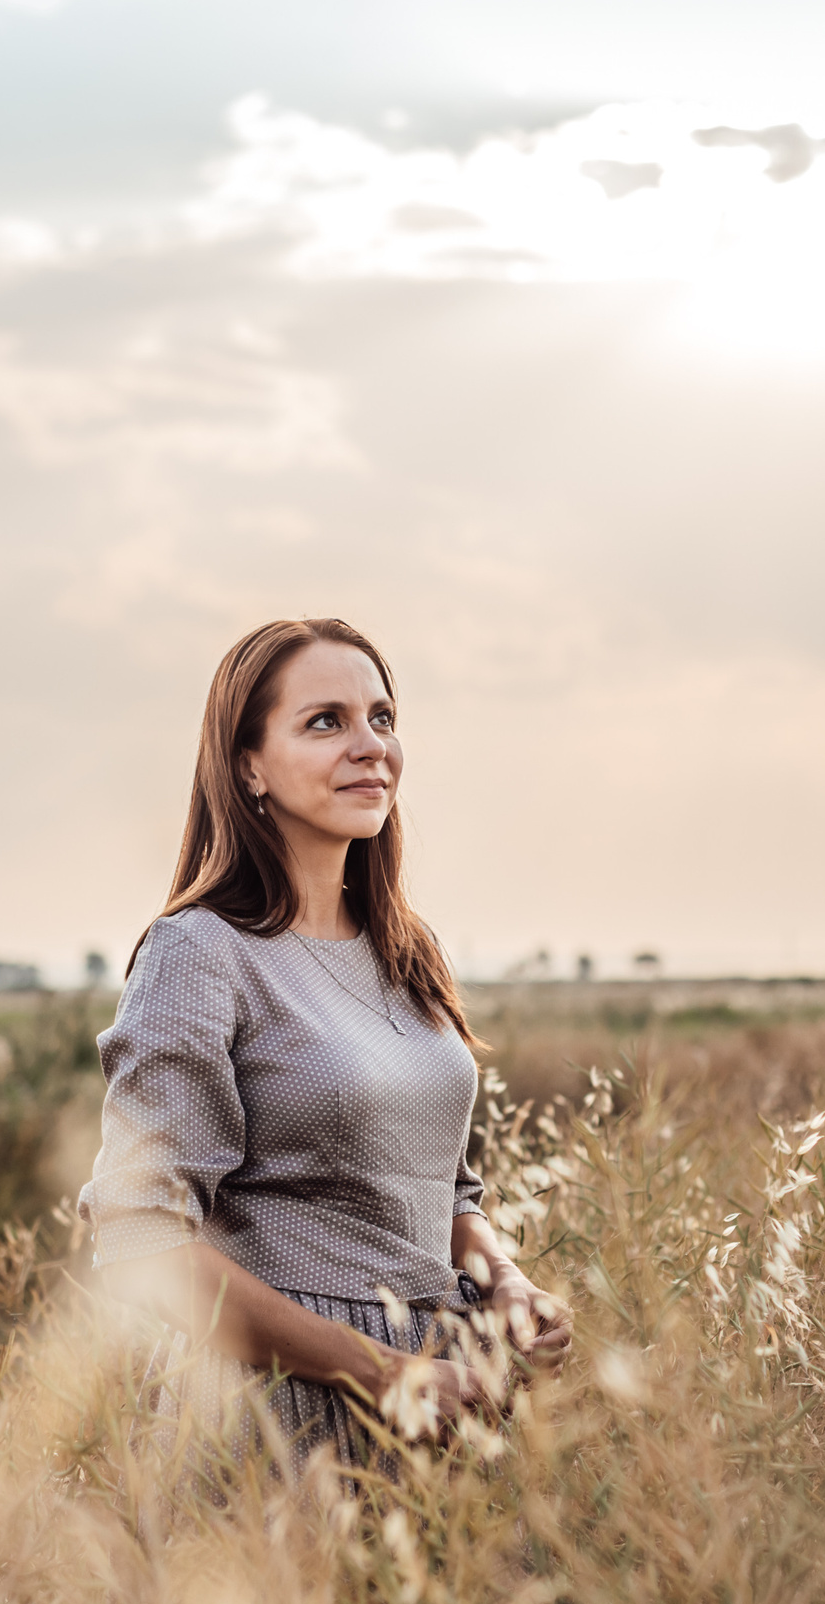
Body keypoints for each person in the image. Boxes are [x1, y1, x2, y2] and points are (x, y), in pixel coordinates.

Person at [76, 617, 572, 1465]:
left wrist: (505, 1280)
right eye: (325, 721)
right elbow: (140, 1239)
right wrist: (375, 1369)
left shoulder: (407, 949)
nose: (370, 746)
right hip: (279, 1414)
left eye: (382, 718)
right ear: (248, 764)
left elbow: (444, 1190)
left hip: (446, 1401)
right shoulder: (201, 951)